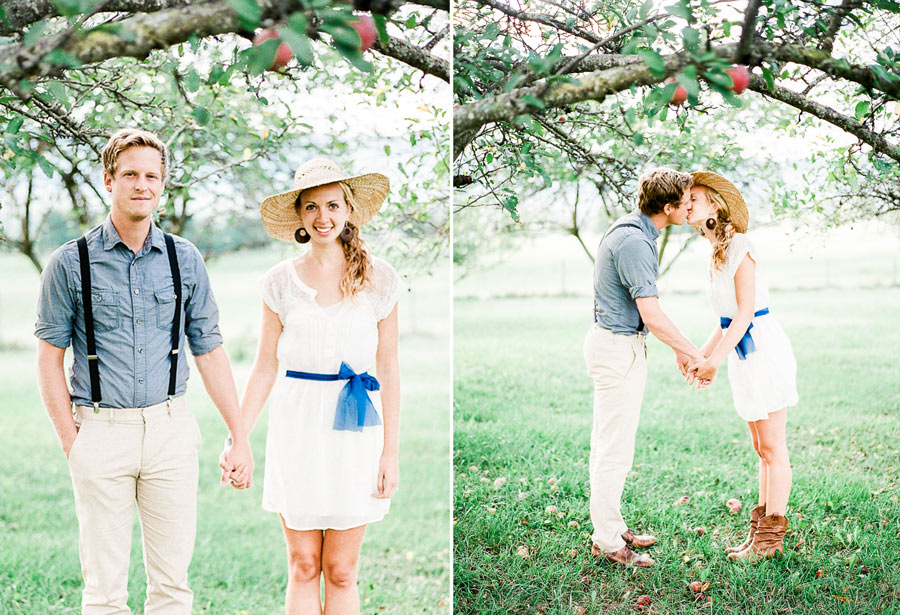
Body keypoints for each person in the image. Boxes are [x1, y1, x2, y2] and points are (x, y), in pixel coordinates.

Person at [34, 128, 252, 615]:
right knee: (104, 592)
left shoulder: (185, 259)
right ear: (108, 180)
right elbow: (49, 357)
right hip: (100, 431)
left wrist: (239, 435)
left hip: (171, 431)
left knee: (173, 589)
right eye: (130, 174)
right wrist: (73, 440)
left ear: (163, 184)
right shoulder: (70, 263)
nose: (142, 185)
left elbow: (210, 350)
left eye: (152, 176)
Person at [234, 158, 402, 614]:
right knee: (304, 564)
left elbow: (389, 368)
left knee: (342, 569)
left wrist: (390, 452)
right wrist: (238, 438)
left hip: (357, 430)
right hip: (298, 424)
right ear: (301, 217)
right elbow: (265, 366)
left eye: (331, 204)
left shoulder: (379, 279)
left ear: (349, 209)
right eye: (311, 207)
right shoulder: (279, 282)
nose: (322, 217)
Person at [584, 167, 710, 568]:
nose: (690, 207)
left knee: (610, 444)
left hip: (619, 344)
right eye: (687, 202)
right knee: (613, 450)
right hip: (618, 349)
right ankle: (606, 541)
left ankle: (610, 524)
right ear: (669, 207)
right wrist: (694, 353)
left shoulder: (632, 230)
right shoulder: (636, 242)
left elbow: (649, 318)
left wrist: (674, 348)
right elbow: (651, 313)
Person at [686, 172, 798, 560]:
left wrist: (714, 362)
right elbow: (725, 317)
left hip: (762, 349)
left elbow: (746, 312)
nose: (687, 204)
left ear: (716, 204)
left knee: (772, 446)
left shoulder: (741, 246)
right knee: (759, 446)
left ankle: (770, 540)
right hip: (741, 351)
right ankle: (758, 536)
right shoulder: (715, 249)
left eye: (695, 198)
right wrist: (701, 355)